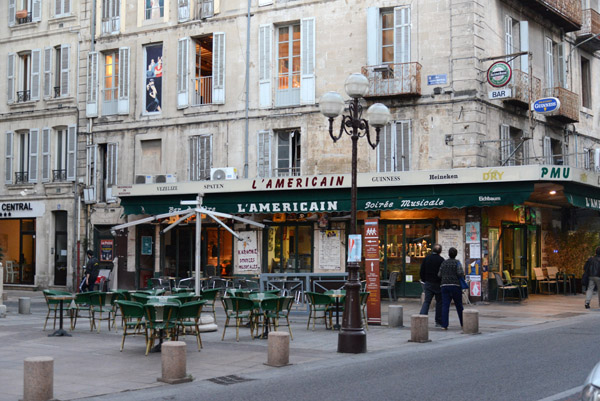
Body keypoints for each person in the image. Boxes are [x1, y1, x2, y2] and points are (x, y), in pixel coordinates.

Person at [438, 247, 464, 330]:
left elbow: (439, 274)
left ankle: (444, 325)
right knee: (459, 305)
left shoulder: (444, 263)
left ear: (448, 254)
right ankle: (463, 323)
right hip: (455, 286)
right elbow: (460, 273)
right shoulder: (457, 263)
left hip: (444, 286)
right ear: (456, 254)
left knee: (445, 305)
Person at [419, 243, 444, 327]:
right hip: (438, 283)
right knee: (439, 302)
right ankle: (438, 321)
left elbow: (422, 270)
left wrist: (424, 280)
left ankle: (422, 318)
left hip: (428, 283)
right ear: (440, 251)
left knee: (427, 301)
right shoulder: (441, 260)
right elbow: (442, 273)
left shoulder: (427, 258)